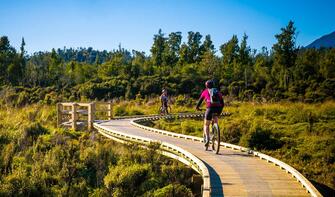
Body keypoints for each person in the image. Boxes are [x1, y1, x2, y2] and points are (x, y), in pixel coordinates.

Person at [196, 80, 224, 147]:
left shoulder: (205, 92)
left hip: (209, 109)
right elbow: (222, 102)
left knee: (206, 124)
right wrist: (220, 110)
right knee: (215, 119)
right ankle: (215, 130)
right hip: (218, 109)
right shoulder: (217, 91)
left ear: (206, 86)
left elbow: (200, 101)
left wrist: (197, 107)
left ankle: (208, 138)